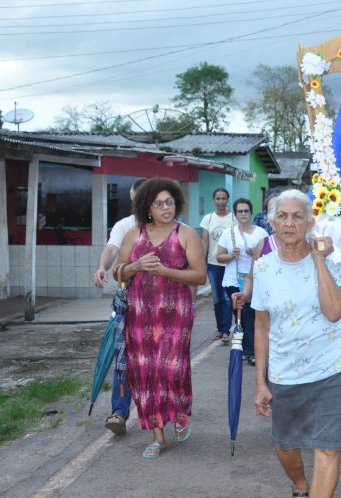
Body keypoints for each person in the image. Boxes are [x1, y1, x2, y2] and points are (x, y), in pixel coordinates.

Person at [236, 189, 341, 497]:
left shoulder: (330, 261)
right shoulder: (262, 268)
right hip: (285, 370)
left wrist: (319, 260)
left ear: (310, 223)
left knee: (327, 447)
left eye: (297, 216)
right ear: (272, 222)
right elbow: (261, 328)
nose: (290, 223)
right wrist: (260, 383)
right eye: (283, 216)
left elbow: (333, 312)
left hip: (333, 365)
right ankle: (300, 484)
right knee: (285, 444)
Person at [115, 178, 206, 459]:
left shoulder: (187, 233)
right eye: (158, 203)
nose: (166, 208)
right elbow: (119, 271)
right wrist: (136, 266)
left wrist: (166, 271)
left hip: (175, 315)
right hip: (139, 315)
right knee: (144, 373)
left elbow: (199, 275)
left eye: (169, 202)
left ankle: (178, 411)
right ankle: (157, 436)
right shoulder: (134, 234)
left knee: (171, 369)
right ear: (147, 208)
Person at [93, 178, 145, 436]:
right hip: (128, 304)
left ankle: (167, 407)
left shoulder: (170, 227)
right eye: (139, 197)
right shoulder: (125, 225)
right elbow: (112, 248)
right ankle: (119, 412)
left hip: (161, 306)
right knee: (123, 358)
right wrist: (102, 266)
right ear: (133, 198)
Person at [216, 198, 267, 362]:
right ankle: (246, 350)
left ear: (251, 213)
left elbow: (270, 257)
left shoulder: (261, 233)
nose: (243, 214)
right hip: (233, 281)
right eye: (240, 211)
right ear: (235, 214)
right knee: (240, 316)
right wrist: (232, 255)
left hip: (255, 280)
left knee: (250, 315)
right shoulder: (228, 233)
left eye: (246, 211)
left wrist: (256, 254)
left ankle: (251, 352)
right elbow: (219, 257)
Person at [200, 188, 235, 341]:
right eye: (218, 198)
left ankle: (226, 331)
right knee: (217, 298)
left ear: (227, 199)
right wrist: (201, 261)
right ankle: (220, 329)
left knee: (227, 298)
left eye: (223, 198)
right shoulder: (208, 219)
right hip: (213, 264)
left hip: (229, 263)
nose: (221, 201)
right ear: (214, 200)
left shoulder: (233, 219)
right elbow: (205, 241)